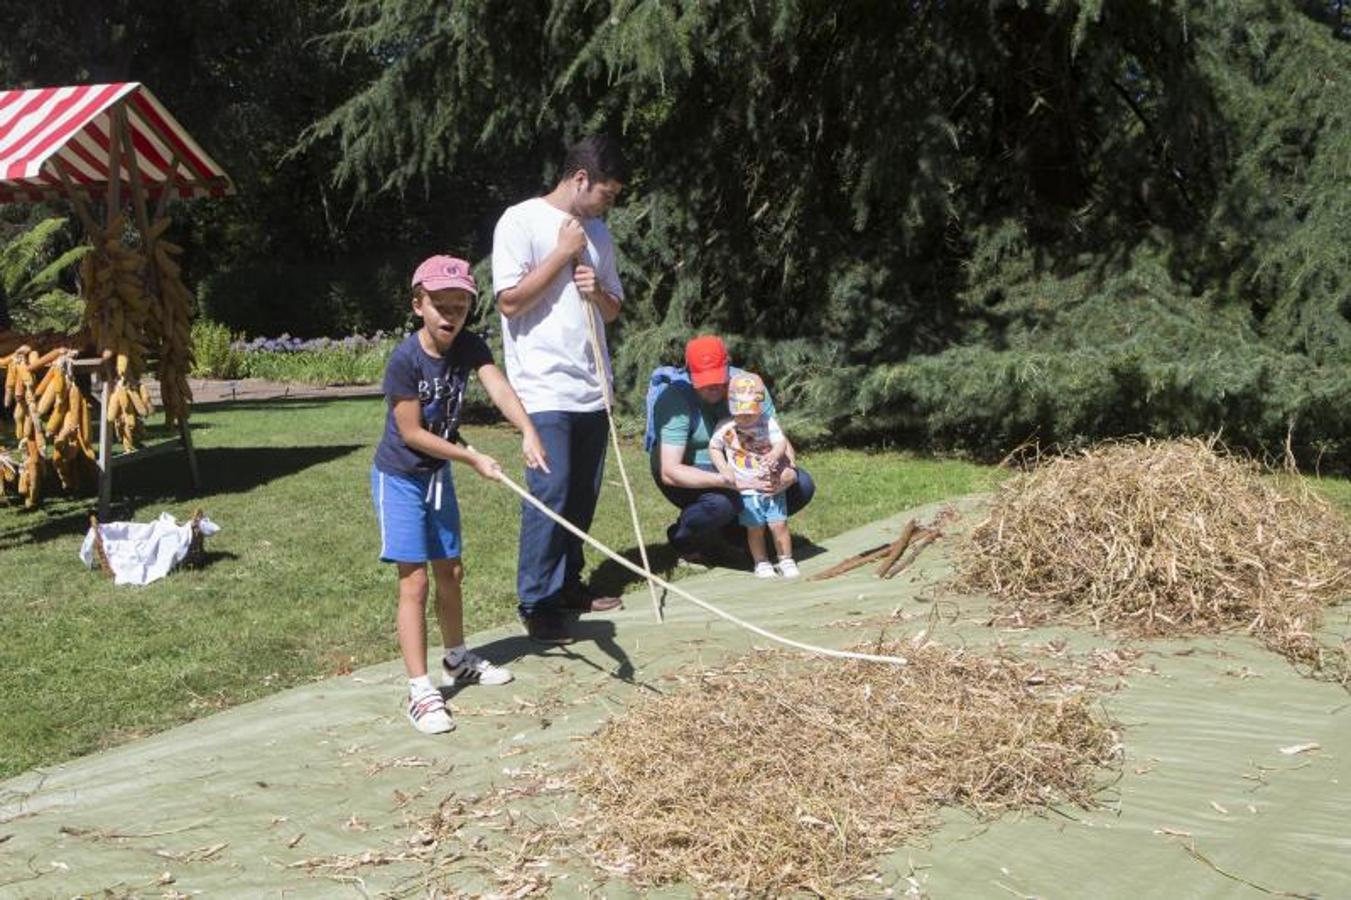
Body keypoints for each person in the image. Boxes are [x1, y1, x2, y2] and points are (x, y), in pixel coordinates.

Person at [372, 255, 549, 735]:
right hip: (401, 477)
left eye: (460, 305)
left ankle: (456, 658)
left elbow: (499, 388)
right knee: (416, 583)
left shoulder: (468, 345)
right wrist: (471, 457)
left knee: (450, 571)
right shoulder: (405, 361)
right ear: (417, 305)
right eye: (439, 305)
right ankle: (420, 690)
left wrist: (527, 431)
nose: (450, 314)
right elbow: (409, 432)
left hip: (436, 477)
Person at [492, 135, 629, 645]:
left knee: (579, 495)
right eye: (606, 194)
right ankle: (537, 601)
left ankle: (568, 585)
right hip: (543, 388)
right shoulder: (520, 221)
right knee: (549, 494)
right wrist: (562, 254)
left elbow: (614, 306)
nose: (608, 204)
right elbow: (509, 302)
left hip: (592, 386)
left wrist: (599, 294)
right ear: (579, 180)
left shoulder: (599, 233)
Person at [650, 335, 816, 562]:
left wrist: (789, 471)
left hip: (745, 462)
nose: (713, 387)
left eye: (718, 378)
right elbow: (670, 471)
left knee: (802, 485)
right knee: (722, 504)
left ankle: (736, 533)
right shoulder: (674, 399)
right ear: (689, 374)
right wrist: (730, 481)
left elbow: (780, 440)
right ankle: (684, 538)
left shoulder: (749, 386)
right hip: (693, 469)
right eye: (704, 382)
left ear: (727, 366)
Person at [707, 372, 801, 578]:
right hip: (746, 487)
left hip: (770, 484)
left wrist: (776, 454)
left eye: (751, 412)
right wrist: (724, 468)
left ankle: (786, 559)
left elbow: (780, 441)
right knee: (754, 527)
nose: (746, 417)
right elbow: (714, 447)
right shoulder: (727, 427)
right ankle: (761, 561)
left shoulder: (767, 422)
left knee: (780, 524)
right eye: (741, 413)